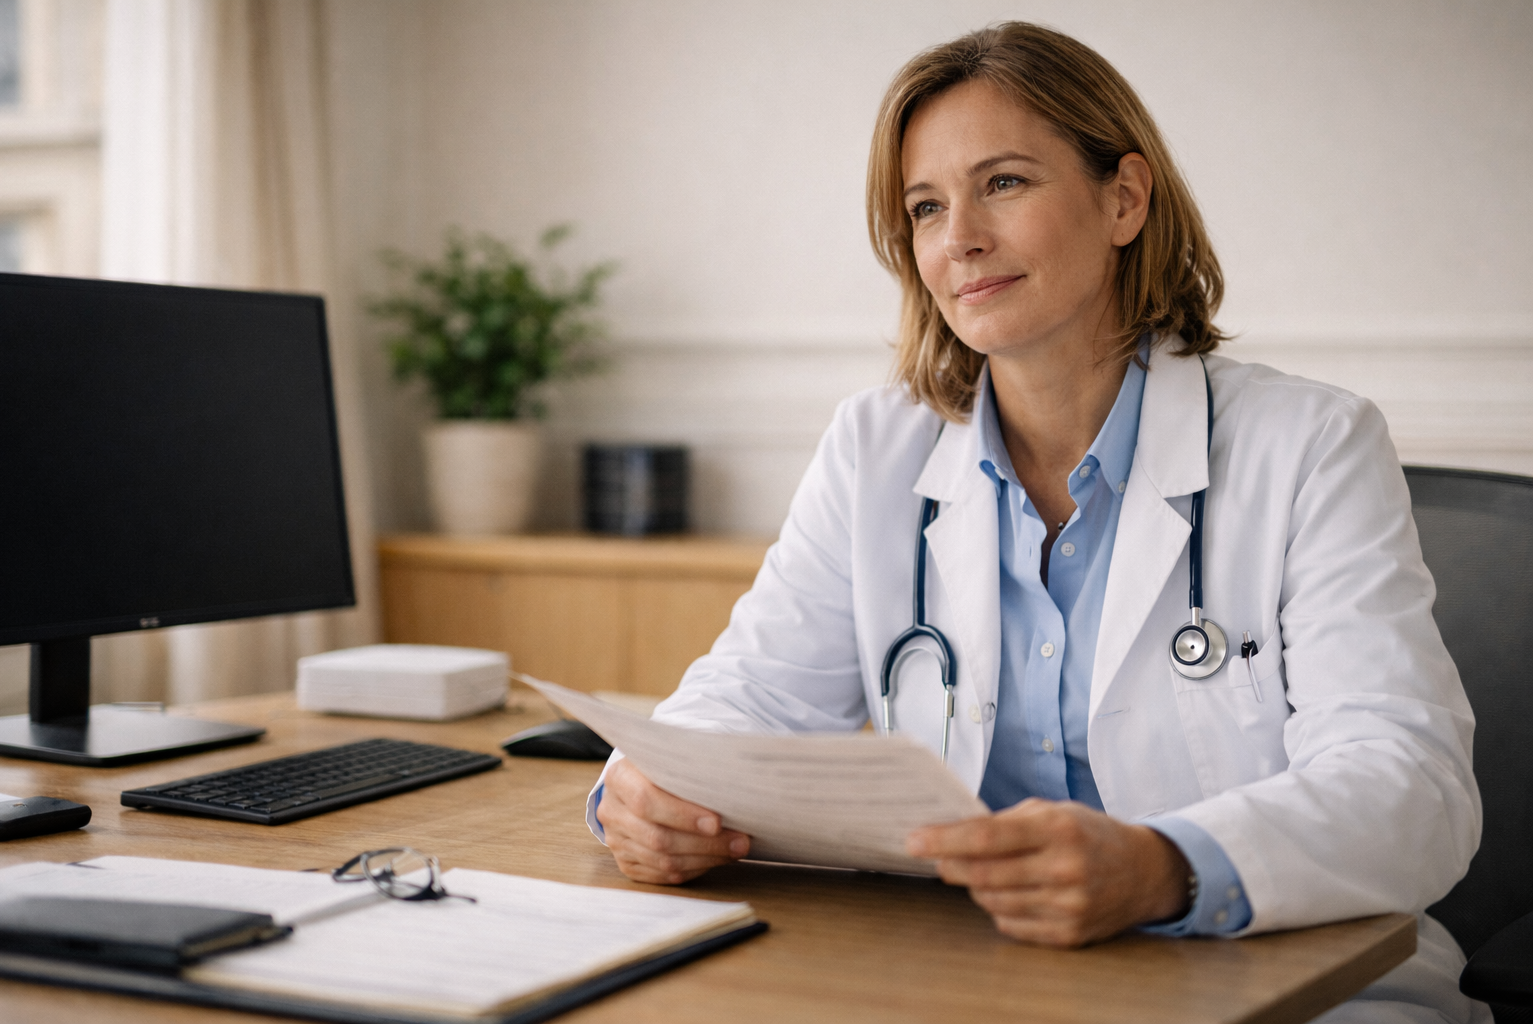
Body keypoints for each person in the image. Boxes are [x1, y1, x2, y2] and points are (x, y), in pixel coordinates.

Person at [588, 22, 1484, 1023]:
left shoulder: (1310, 443)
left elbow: (1411, 786)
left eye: (1003, 183)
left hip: (1281, 974)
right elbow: (750, 691)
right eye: (926, 206)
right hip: (971, 973)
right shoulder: (876, 447)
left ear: (1124, 199)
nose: (958, 235)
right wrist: (644, 793)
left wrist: (1164, 866)